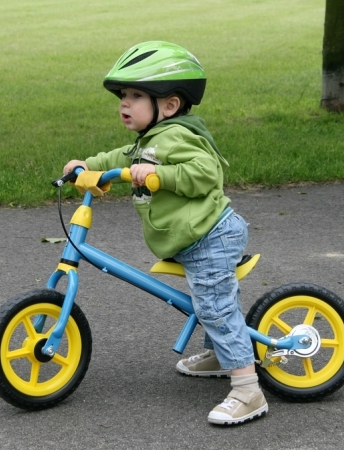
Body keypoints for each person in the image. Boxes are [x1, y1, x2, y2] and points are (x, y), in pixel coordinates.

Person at [63, 41, 267, 426]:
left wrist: (160, 176)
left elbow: (206, 173)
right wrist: (85, 165)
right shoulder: (149, 141)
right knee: (209, 299)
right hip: (191, 240)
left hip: (211, 237)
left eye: (136, 95)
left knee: (213, 306)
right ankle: (222, 355)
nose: (125, 103)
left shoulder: (178, 137)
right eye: (123, 95)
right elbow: (118, 159)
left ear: (169, 105)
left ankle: (247, 389)